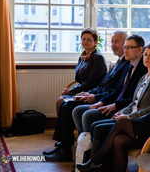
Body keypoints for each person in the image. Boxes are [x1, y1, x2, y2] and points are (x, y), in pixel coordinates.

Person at [76, 48, 150, 172]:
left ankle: (96, 161)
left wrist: (133, 120)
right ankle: (98, 163)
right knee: (119, 140)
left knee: (122, 122)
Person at [43, 31, 129, 162]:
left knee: (67, 106)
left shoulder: (123, 63)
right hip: (96, 93)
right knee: (65, 103)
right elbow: (102, 84)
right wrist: (88, 93)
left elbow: (111, 89)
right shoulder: (118, 61)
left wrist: (94, 96)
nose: (113, 45)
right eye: (112, 42)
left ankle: (66, 149)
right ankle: (64, 144)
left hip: (104, 99)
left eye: (117, 41)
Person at [86, 42, 150, 163]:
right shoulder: (144, 76)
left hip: (140, 120)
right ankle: (98, 165)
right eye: (145, 54)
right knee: (95, 125)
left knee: (99, 129)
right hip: (130, 116)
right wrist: (122, 112)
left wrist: (128, 116)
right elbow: (134, 102)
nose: (147, 57)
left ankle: (95, 164)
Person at [72, 34, 148, 134]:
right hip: (114, 102)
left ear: (139, 50)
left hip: (124, 107)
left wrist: (115, 105)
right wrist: (102, 102)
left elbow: (135, 98)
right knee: (77, 111)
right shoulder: (128, 66)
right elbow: (118, 90)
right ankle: (86, 143)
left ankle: (89, 146)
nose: (125, 51)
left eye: (129, 48)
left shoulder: (144, 69)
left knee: (88, 115)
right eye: (125, 47)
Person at [56, 28, 107, 115]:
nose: (85, 41)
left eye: (89, 39)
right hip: (82, 89)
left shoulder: (98, 58)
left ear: (95, 42)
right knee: (59, 101)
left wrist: (71, 90)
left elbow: (91, 82)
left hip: (91, 92)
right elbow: (79, 79)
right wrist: (71, 90)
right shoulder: (82, 57)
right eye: (83, 39)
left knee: (63, 103)